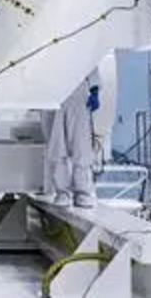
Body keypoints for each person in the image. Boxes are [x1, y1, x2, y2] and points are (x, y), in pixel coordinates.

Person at [45, 70, 101, 208]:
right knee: (56, 146)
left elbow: (91, 61)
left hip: (78, 92)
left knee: (81, 145)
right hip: (50, 93)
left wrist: (94, 90)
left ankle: (82, 192)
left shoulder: (83, 47)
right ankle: (62, 192)